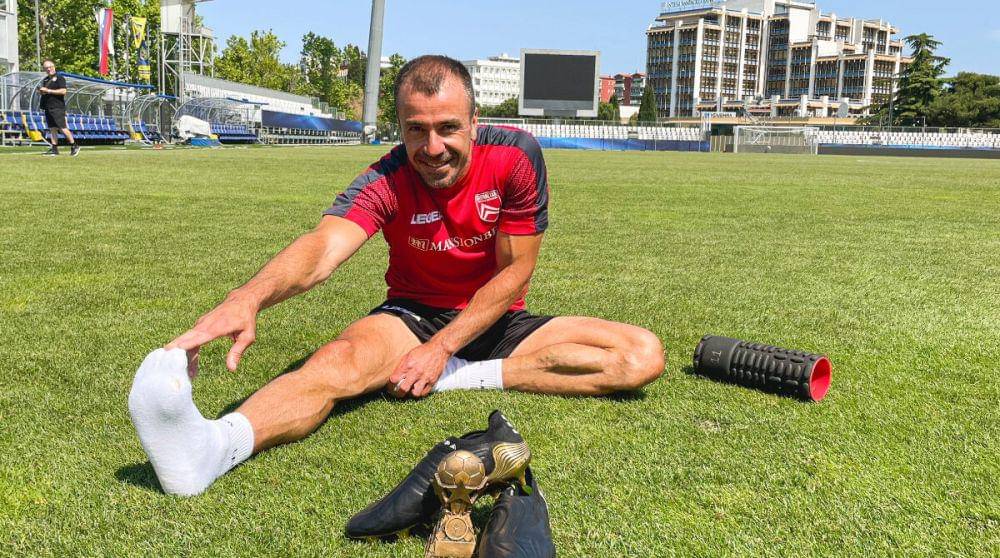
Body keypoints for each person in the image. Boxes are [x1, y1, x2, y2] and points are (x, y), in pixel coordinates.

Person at [128, 55, 665, 497]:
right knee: (335, 364)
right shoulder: (385, 178)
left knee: (640, 356)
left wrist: (444, 351)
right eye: (416, 130)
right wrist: (248, 297)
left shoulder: (515, 157)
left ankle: (460, 374)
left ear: (474, 122)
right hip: (413, 317)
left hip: (497, 317)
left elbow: (517, 269)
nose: (433, 148)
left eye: (448, 128)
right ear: (400, 127)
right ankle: (213, 447)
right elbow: (322, 248)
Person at [38, 60, 79, 157]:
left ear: (54, 67)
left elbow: (63, 91)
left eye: (50, 67)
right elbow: (46, 92)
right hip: (48, 107)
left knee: (62, 127)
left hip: (57, 107)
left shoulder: (60, 78)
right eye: (46, 68)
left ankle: (74, 145)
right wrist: (42, 92)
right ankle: (54, 148)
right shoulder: (45, 80)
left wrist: (48, 90)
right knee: (52, 128)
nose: (48, 69)